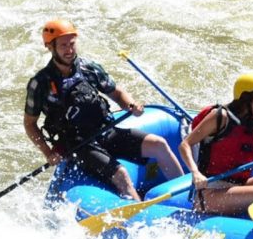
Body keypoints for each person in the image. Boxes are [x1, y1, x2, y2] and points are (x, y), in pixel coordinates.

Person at [24, 19, 183, 201]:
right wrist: (48, 152)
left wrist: (130, 104)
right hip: (78, 144)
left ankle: (188, 197)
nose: (69, 50)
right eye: (63, 46)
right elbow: (29, 124)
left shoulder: (88, 68)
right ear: (49, 47)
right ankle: (139, 215)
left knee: (159, 144)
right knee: (121, 174)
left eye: (72, 44)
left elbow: (116, 93)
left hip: (105, 130)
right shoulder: (40, 83)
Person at [178, 73, 253, 216]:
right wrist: (195, 173)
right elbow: (185, 145)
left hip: (237, 186)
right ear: (246, 97)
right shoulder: (220, 117)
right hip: (211, 192)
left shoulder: (251, 122)